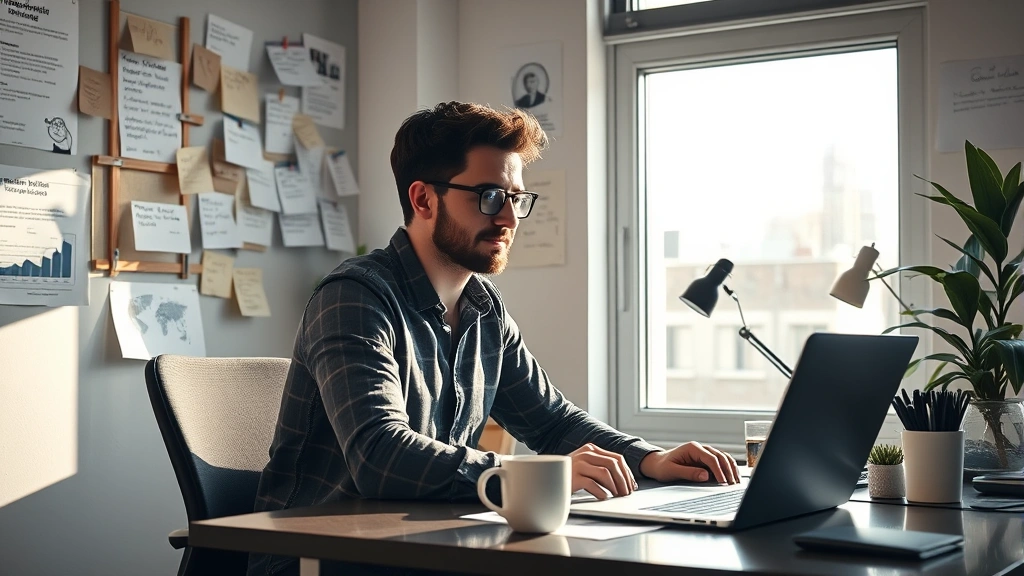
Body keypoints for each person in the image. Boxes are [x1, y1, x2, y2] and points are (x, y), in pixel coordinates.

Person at [248, 102, 739, 576]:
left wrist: (650, 457)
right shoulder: (354, 297)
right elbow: (379, 456)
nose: (507, 219)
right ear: (423, 199)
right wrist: (537, 479)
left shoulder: (483, 308)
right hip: (320, 560)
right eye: (488, 197)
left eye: (515, 199)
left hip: (424, 550)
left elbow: (550, 422)